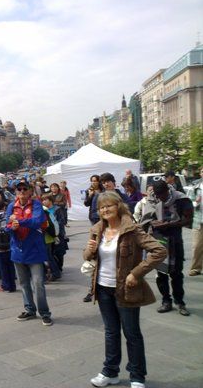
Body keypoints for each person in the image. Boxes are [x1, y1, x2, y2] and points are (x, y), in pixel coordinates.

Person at [84, 191, 166, 388]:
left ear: (118, 206)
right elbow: (87, 256)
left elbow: (159, 251)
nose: (105, 209)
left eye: (109, 205)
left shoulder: (132, 230)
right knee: (111, 332)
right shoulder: (97, 230)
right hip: (103, 288)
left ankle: (137, 376)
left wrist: (136, 273)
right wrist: (89, 249)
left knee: (131, 333)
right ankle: (110, 372)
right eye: (101, 207)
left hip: (125, 289)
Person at [6, 181, 52, 326]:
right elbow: (6, 226)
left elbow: (37, 221)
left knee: (38, 283)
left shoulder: (36, 204)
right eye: (19, 189)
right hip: (17, 250)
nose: (21, 191)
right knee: (24, 283)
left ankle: (44, 313)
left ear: (30, 191)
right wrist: (11, 227)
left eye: (24, 188)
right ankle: (30, 309)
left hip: (35, 250)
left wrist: (18, 220)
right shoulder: (11, 206)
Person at [151, 180, 193, 316]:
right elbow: (145, 217)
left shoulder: (181, 199)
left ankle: (180, 302)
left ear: (167, 190)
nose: (161, 198)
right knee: (161, 272)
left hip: (175, 240)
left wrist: (169, 224)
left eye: (162, 195)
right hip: (159, 240)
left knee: (176, 273)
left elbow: (188, 220)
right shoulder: (152, 198)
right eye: (158, 196)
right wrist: (153, 223)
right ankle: (166, 301)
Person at [188, 166, 203, 276]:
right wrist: (196, 202)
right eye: (202, 171)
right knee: (197, 245)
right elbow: (189, 202)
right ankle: (196, 268)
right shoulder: (195, 186)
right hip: (198, 221)